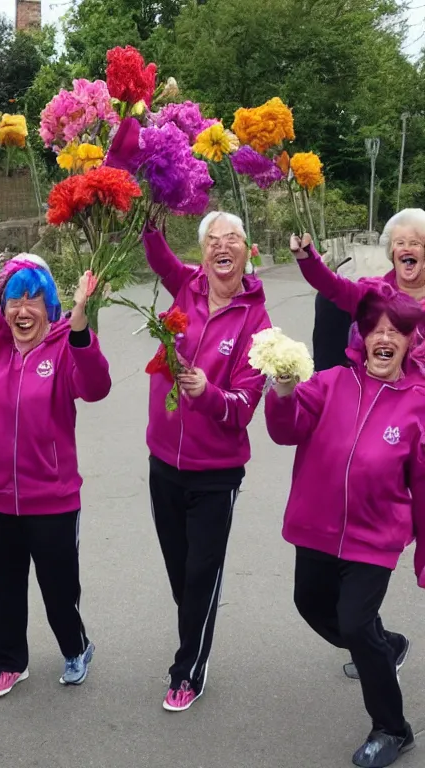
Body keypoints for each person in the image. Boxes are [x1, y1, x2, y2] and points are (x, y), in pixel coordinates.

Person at [0, 230, 112, 698]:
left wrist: (80, 326)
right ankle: (8, 660)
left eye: (34, 300)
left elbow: (96, 386)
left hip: (50, 495)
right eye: (15, 300)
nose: (22, 310)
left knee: (59, 588)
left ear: (50, 306)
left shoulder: (64, 344)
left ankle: (75, 647)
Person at [264, 288, 425, 768]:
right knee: (310, 603)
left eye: (394, 332)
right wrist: (284, 391)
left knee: (355, 623)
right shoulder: (331, 381)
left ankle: (392, 729)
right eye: (376, 329)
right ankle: (385, 645)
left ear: (409, 342)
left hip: (375, 539)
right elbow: (285, 430)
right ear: (360, 337)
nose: (384, 338)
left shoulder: (418, 404)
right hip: (315, 528)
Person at [141, 212, 271, 712]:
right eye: (213, 240)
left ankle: (188, 668)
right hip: (163, 462)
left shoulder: (257, 322)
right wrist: (151, 220)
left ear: (246, 251)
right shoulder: (186, 287)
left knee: (201, 575)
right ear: (202, 254)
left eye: (232, 239)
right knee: (182, 574)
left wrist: (206, 393)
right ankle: (196, 628)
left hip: (216, 473)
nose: (222, 246)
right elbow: (157, 256)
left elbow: (243, 407)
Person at [294, 209, 425, 360]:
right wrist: (307, 258)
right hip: (372, 378)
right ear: (392, 252)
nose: (406, 248)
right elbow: (333, 286)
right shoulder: (374, 292)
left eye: (414, 243)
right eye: (400, 243)